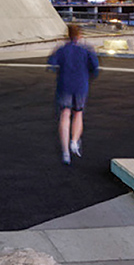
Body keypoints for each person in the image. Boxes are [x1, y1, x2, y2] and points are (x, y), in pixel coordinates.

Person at [47, 24, 99, 165]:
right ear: (80, 35)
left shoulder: (62, 49)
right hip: (81, 85)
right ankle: (74, 141)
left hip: (64, 85)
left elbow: (52, 64)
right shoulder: (86, 49)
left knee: (65, 114)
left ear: (68, 35)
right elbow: (95, 68)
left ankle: (65, 152)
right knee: (78, 113)